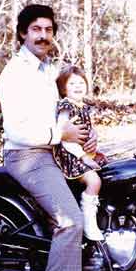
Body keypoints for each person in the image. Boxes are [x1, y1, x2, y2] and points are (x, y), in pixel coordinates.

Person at [0, 4, 96, 271]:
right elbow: (17, 129)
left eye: (48, 30)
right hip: (28, 156)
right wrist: (60, 135)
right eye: (36, 29)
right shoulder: (14, 73)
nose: (43, 35)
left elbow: (61, 117)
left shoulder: (45, 71)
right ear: (22, 34)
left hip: (53, 153)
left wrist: (85, 137)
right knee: (70, 221)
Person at [53, 65, 104, 241]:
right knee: (94, 180)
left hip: (82, 153)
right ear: (63, 88)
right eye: (72, 83)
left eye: (81, 82)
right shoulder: (66, 106)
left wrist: (94, 144)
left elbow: (87, 130)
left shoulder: (83, 106)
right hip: (70, 156)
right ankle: (89, 222)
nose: (77, 86)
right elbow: (64, 137)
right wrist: (83, 157)